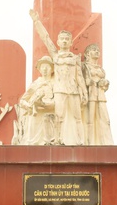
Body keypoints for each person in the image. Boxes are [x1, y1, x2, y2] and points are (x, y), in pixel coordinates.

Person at [30, 9, 87, 145]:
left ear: (71, 43)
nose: (65, 41)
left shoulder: (74, 58)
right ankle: (58, 140)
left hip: (73, 90)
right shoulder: (55, 56)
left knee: (77, 117)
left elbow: (79, 77)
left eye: (67, 39)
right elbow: (45, 38)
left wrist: (84, 92)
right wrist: (37, 21)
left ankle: (81, 141)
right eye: (62, 39)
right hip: (60, 90)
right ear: (58, 42)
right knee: (59, 117)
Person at [14, 56, 57, 145]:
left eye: (47, 66)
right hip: (36, 114)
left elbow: (59, 101)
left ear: (52, 69)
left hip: (50, 113)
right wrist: (29, 106)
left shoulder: (55, 83)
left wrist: (47, 104)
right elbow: (22, 101)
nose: (45, 69)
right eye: (42, 67)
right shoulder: (36, 84)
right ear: (39, 70)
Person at [82, 43, 113, 145]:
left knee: (105, 118)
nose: (96, 52)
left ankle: (105, 141)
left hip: (100, 95)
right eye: (94, 50)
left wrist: (105, 83)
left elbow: (105, 85)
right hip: (90, 95)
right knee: (90, 119)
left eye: (98, 50)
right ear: (87, 54)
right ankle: (90, 142)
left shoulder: (101, 69)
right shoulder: (85, 67)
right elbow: (83, 81)